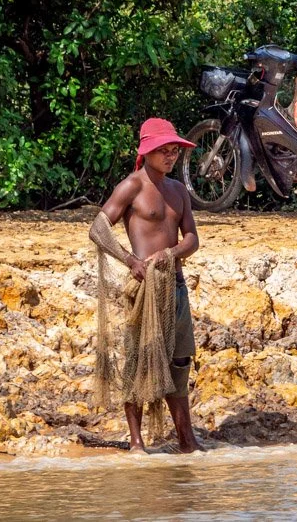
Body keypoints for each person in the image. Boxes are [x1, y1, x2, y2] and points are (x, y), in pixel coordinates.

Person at [88, 117, 202, 453]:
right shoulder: (132, 186)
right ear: (146, 152)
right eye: (163, 151)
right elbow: (98, 228)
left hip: (175, 285)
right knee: (138, 359)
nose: (170, 156)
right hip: (143, 289)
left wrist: (172, 253)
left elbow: (192, 239)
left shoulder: (178, 191)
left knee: (180, 360)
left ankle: (187, 440)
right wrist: (132, 261)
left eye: (174, 151)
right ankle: (137, 442)